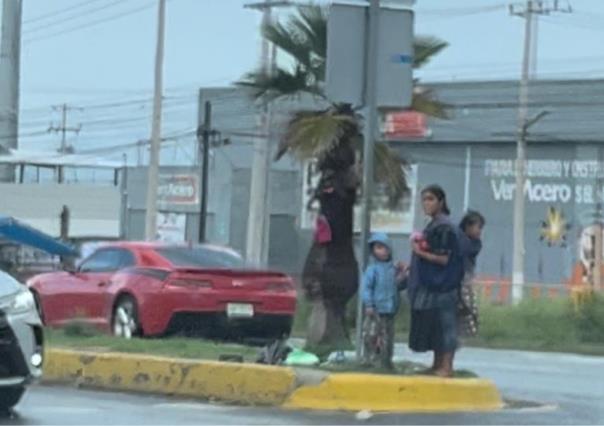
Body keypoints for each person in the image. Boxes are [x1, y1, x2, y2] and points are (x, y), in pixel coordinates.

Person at [407, 185, 464, 377]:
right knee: (436, 327)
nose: (426, 203)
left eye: (431, 199)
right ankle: (437, 364)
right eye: (424, 199)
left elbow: (444, 259)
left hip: (443, 286)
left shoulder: (444, 227)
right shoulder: (433, 225)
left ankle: (447, 367)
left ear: (441, 202)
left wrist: (419, 252)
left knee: (446, 326)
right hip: (432, 286)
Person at [361, 233, 406, 370]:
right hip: (375, 310)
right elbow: (366, 288)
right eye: (379, 248)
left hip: (390, 310)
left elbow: (397, 286)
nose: (383, 251)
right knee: (371, 335)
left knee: (387, 337)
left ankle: (386, 362)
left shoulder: (393, 269)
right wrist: (368, 304)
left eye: (385, 248)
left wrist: (403, 275)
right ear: (373, 251)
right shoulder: (372, 270)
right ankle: (370, 360)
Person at [457, 210, 485, 338]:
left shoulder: (475, 244)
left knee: (468, 307)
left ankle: (469, 333)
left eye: (481, 228)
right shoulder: (456, 237)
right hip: (454, 280)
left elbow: (467, 249)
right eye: (477, 227)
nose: (479, 231)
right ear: (467, 226)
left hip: (465, 279)